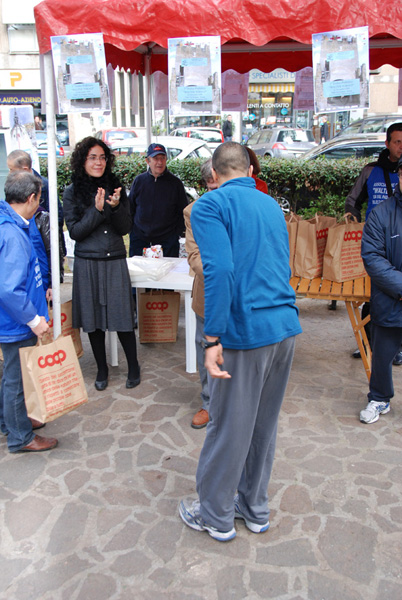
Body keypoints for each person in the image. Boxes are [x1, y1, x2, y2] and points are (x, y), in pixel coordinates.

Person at [179, 142, 302, 541]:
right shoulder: (270, 205)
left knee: (229, 426)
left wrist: (212, 336)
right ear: (250, 168)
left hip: (244, 333)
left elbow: (219, 271)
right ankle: (254, 508)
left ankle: (215, 515)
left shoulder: (210, 206)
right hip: (283, 328)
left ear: (213, 175)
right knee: (263, 426)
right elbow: (280, 266)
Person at [63, 137, 140, 391]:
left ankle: (134, 366)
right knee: (93, 320)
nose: (99, 162)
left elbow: (125, 228)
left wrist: (116, 208)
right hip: (88, 262)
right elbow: (75, 232)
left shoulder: (116, 188)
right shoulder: (72, 191)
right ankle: (102, 369)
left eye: (102, 157)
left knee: (122, 316)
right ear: (83, 160)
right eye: (93, 157)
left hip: (115, 258)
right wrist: (95, 211)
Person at [0, 170, 58, 453]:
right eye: (40, 198)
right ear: (32, 198)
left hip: (14, 319)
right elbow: (9, 289)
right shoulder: (11, 233)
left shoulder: (13, 222)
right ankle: (20, 437)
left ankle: (9, 421)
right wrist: (34, 319)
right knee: (16, 380)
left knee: (11, 375)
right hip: (15, 322)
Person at [345, 122, 402, 363]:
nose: (401, 147)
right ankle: (367, 341)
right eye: (397, 141)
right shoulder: (370, 171)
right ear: (387, 143)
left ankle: (397, 348)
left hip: (398, 244)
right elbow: (352, 200)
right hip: (375, 244)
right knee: (373, 296)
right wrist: (355, 221)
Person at [359, 156, 402, 424]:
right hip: (389, 300)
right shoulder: (381, 214)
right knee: (383, 355)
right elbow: (373, 258)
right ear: (399, 176)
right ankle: (379, 398)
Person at [183, 159, 217, 429]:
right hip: (208, 294)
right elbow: (194, 257)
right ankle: (209, 403)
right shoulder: (194, 211)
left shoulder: (248, 206)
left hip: (245, 297)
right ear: (210, 181)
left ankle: (236, 405)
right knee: (206, 347)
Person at [7, 150, 65, 292]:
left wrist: (53, 280)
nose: (9, 174)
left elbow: (56, 219)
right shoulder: (9, 229)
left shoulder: (44, 187)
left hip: (42, 261)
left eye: (11, 170)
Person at [128, 143, 188, 258]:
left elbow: (183, 211)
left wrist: (176, 233)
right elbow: (131, 207)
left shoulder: (175, 184)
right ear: (148, 161)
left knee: (168, 274)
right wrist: (133, 231)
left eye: (162, 158)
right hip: (140, 239)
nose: (159, 162)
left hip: (167, 241)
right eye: (156, 159)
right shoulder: (139, 181)